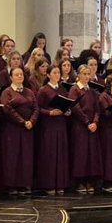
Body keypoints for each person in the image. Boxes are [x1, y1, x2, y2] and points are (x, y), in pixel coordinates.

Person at [0, 65, 37, 195]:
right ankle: (12, 184)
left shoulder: (29, 92)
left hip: (27, 129)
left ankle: (24, 183)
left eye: (21, 74)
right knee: (12, 156)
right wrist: (22, 121)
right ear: (11, 77)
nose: (20, 76)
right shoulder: (7, 92)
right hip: (13, 129)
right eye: (16, 75)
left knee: (25, 157)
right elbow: (7, 109)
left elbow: (35, 108)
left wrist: (31, 121)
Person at [35, 64, 71, 194]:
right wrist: (49, 113)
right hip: (49, 126)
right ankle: (49, 184)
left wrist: (67, 111)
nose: (57, 75)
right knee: (49, 154)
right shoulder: (43, 90)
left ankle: (60, 183)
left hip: (61, 124)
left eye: (58, 73)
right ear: (48, 75)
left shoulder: (62, 89)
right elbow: (38, 108)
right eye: (54, 73)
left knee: (60, 154)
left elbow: (67, 105)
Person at [69, 63, 103, 193]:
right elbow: (75, 107)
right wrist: (87, 122)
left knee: (91, 154)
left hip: (92, 127)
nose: (87, 76)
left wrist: (95, 122)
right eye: (84, 74)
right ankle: (79, 181)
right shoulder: (75, 90)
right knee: (80, 154)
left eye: (89, 74)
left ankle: (90, 179)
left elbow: (97, 109)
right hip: (80, 126)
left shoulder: (92, 91)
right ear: (78, 76)